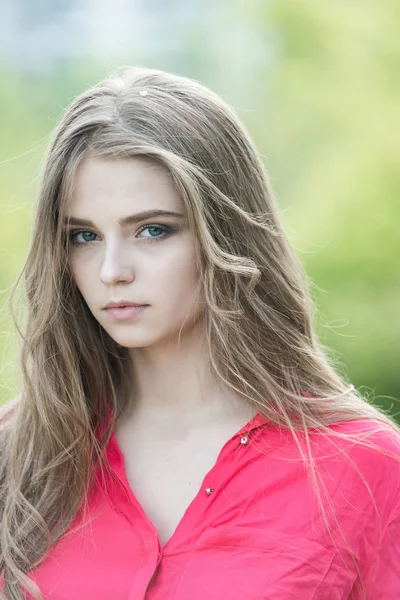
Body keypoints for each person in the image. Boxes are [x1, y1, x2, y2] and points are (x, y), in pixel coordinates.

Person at [0, 66, 399, 600]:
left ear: (226, 233)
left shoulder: (364, 470)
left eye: (153, 230)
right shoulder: (19, 455)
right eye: (83, 236)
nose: (111, 270)